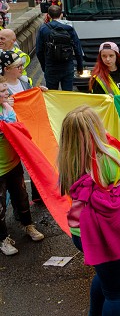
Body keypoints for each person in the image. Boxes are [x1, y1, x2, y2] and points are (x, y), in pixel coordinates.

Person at [58, 105, 120, 314]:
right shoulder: (109, 156)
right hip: (109, 234)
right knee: (118, 293)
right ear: (96, 129)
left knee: (105, 276)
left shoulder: (67, 158)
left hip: (82, 233)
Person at [0, 75, 45, 256]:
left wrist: (38, 93)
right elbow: (9, 127)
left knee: (21, 197)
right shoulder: (7, 109)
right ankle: (3, 239)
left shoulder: (7, 107)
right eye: (2, 91)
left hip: (13, 164)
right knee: (0, 206)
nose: (7, 93)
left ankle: (28, 225)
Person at [35, 5, 84, 90]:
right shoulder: (69, 29)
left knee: (52, 95)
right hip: (67, 66)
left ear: (49, 15)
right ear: (61, 14)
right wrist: (80, 67)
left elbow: (39, 51)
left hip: (51, 67)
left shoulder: (43, 29)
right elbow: (78, 49)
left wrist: (45, 67)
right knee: (67, 94)